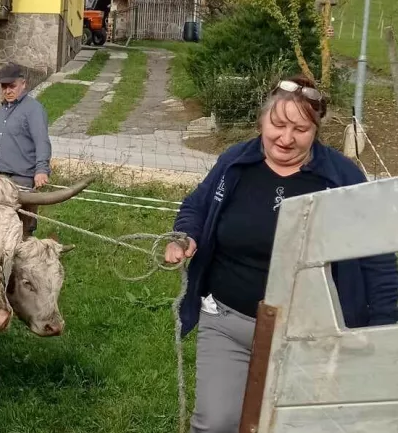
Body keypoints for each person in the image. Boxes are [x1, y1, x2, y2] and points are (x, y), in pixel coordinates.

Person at [165, 75, 398, 433]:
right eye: (278, 124)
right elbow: (197, 205)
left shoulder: (342, 178)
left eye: (301, 129)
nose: (286, 138)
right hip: (228, 321)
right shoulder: (234, 163)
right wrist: (185, 236)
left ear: (316, 131)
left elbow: (378, 260)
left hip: (309, 336)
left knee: (294, 425)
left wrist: (380, 335)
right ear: (262, 120)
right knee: (216, 423)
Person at [0, 62, 52, 235]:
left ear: (23, 84)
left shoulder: (34, 110)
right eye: (4, 87)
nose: (8, 91)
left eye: (12, 86)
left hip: (22, 182)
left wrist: (42, 170)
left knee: (20, 230)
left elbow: (41, 141)